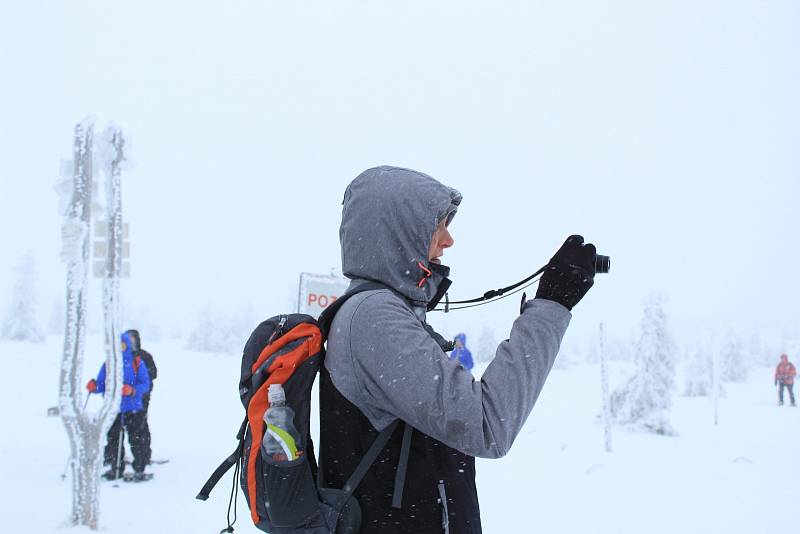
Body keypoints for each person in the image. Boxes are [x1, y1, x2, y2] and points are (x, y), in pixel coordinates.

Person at [320, 166, 597, 533]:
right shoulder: (375, 317)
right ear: (397, 231)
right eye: (437, 225)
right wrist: (551, 306)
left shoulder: (377, 311)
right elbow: (487, 424)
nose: (448, 240)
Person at [86, 330, 151, 481]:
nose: (120, 348)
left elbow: (145, 384)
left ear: (127, 345)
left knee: (136, 440)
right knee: (114, 440)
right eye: (117, 345)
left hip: (134, 408)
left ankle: (139, 469)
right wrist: (94, 387)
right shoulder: (108, 364)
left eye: (122, 345)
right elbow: (102, 383)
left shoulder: (137, 362)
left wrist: (132, 390)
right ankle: (115, 469)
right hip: (114, 409)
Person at [125, 329, 157, 465]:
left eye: (132, 338)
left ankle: (144, 456)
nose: (130, 341)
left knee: (140, 426)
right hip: (125, 398)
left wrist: (138, 384)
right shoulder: (122, 356)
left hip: (142, 397)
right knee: (122, 426)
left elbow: (153, 374)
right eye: (128, 338)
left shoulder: (144, 356)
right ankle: (114, 457)